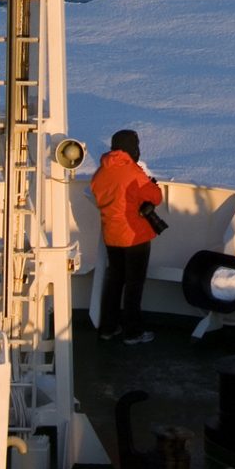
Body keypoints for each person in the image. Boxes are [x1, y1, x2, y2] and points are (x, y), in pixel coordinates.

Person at [90, 128, 163, 346]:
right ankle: (132, 332)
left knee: (114, 282)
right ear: (132, 148)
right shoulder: (133, 172)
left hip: (111, 236)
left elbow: (97, 192)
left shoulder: (101, 172)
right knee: (134, 285)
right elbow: (155, 197)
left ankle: (108, 328)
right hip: (134, 237)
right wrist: (150, 184)